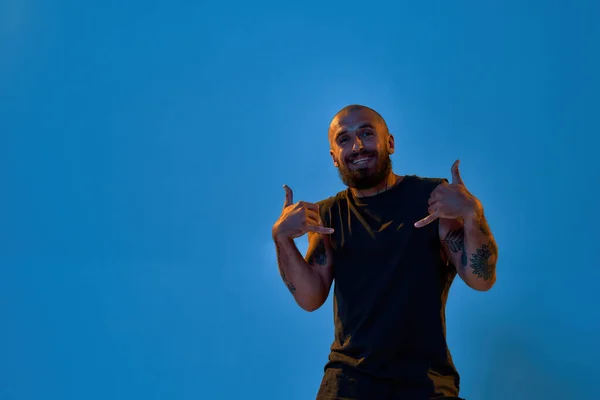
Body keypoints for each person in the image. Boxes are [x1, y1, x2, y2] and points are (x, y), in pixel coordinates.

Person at [271, 105, 498, 400]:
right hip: (348, 383)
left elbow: (482, 278)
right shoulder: (330, 215)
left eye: (366, 133)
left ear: (389, 143)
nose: (357, 146)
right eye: (344, 139)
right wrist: (281, 238)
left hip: (426, 383)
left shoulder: (433, 199)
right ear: (333, 156)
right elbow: (310, 298)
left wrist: (472, 213)